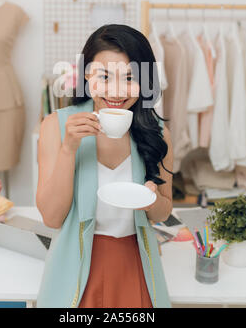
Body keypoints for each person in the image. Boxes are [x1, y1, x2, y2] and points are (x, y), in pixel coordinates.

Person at [36, 24, 174, 308]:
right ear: (86, 76)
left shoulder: (156, 132)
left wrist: (151, 199)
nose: (116, 91)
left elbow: (162, 213)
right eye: (105, 77)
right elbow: (51, 218)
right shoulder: (57, 126)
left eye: (129, 78)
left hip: (136, 262)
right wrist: (69, 148)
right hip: (75, 263)